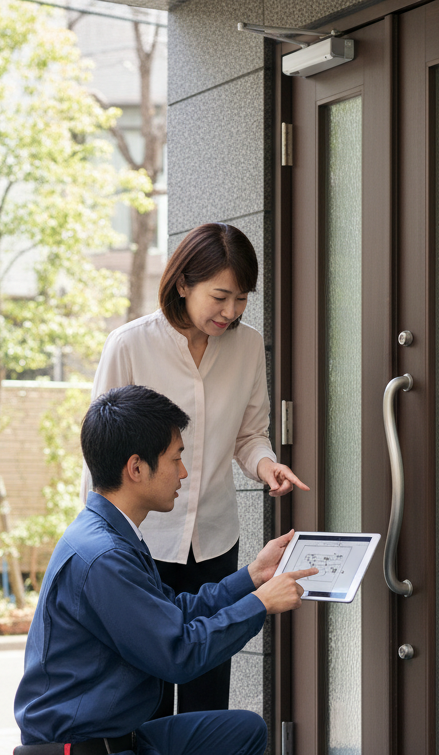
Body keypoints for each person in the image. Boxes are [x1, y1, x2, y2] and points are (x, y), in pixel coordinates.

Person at [16, 385, 316, 755]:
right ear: (136, 467)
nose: (184, 473)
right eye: (176, 458)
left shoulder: (110, 533)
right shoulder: (103, 555)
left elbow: (172, 613)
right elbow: (177, 653)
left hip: (119, 745)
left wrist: (250, 577)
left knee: (243, 732)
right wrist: (258, 606)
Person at [84, 222, 309, 717]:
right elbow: (99, 453)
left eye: (242, 298)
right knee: (150, 693)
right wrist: (99, 541)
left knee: (209, 694)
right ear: (183, 283)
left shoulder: (247, 347)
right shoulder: (129, 345)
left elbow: (250, 435)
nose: (231, 312)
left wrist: (266, 465)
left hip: (214, 537)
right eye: (220, 296)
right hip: (143, 543)